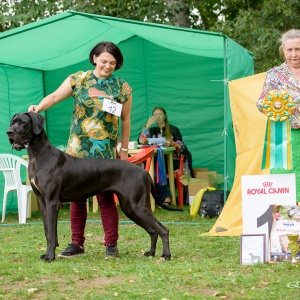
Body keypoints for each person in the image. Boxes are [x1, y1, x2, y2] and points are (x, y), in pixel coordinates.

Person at [28, 41, 132, 258]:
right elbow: (55, 96)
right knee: (77, 198)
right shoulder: (78, 80)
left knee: (106, 197)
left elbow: (126, 119)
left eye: (112, 62)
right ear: (94, 58)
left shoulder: (122, 88)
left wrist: (123, 148)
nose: (107, 66)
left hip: (104, 151)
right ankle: (77, 243)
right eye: (103, 61)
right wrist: (39, 107)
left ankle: (111, 244)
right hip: (77, 149)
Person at [256, 29, 300, 202]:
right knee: (284, 175)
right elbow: (261, 102)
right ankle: (285, 218)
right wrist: (274, 105)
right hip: (284, 134)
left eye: (298, 49)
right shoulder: (274, 75)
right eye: (290, 50)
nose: (294, 54)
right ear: (283, 50)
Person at [138, 106, 193, 205]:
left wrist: (171, 144)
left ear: (165, 116)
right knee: (151, 167)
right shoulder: (152, 130)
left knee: (155, 167)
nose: (158, 116)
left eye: (160, 114)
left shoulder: (174, 129)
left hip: (172, 161)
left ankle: (164, 197)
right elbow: (141, 141)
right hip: (156, 160)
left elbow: (181, 146)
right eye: (155, 115)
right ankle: (165, 196)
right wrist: (147, 126)